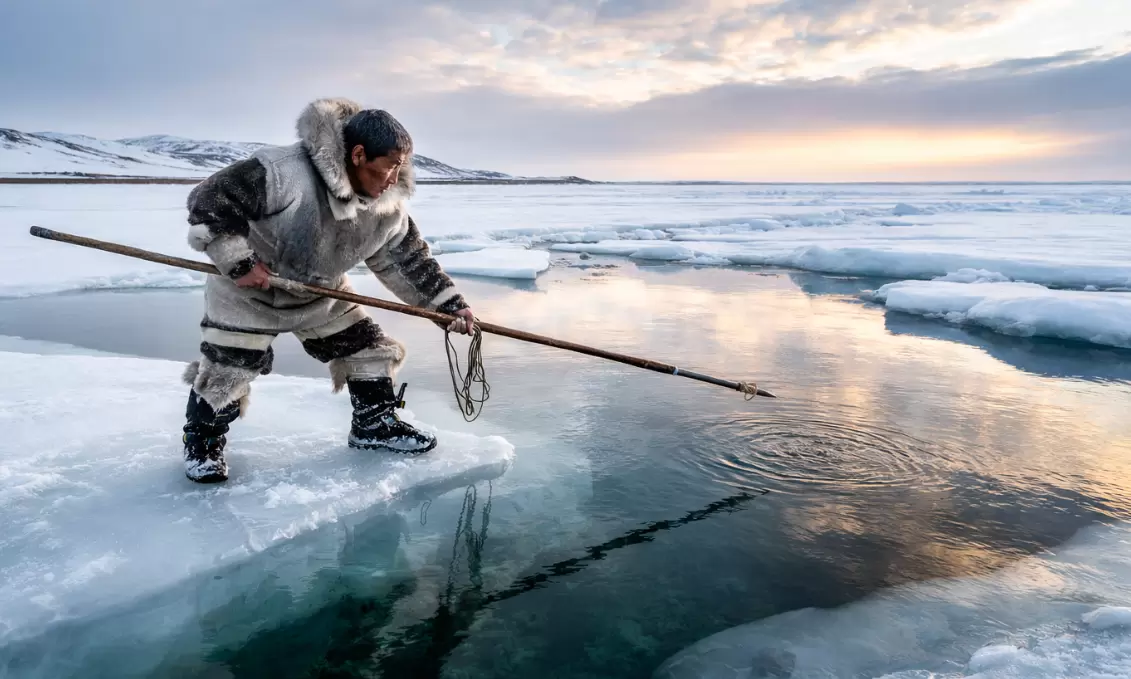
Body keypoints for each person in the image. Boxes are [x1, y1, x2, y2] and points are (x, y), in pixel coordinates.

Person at [179, 97, 475, 484]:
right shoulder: (282, 172)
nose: (393, 179)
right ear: (358, 155)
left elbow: (408, 261)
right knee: (226, 370)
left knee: (370, 351)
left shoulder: (387, 208)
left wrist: (448, 307)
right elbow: (209, 200)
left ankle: (374, 426)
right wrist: (238, 261)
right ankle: (202, 445)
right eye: (388, 167)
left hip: (321, 295)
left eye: (399, 168)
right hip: (246, 295)